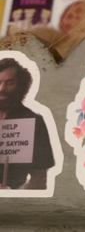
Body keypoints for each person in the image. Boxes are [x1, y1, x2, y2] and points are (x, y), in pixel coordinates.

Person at [0, 58, 55, 190]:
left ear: (20, 86)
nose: (2, 88)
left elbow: (40, 179)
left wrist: (13, 194)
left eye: (9, 83)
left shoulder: (33, 121)